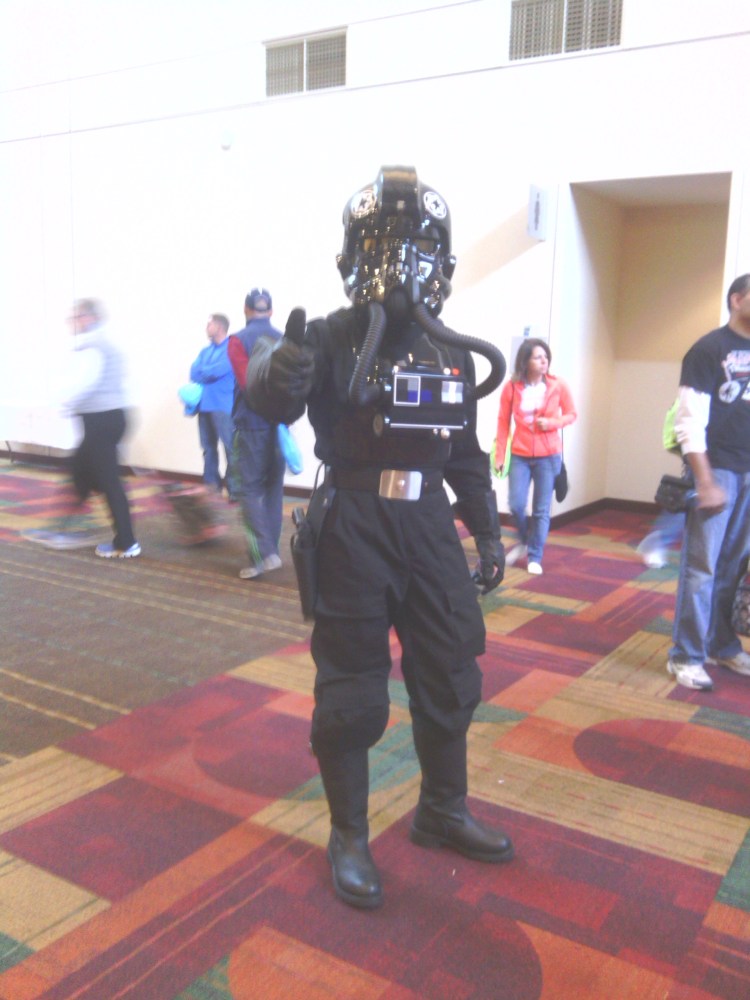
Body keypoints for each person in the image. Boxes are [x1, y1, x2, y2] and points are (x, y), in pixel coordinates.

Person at [240, 166, 513, 910]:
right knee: (353, 688)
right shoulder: (329, 337)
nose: (402, 259)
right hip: (354, 525)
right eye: (384, 242)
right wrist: (280, 368)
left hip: (428, 527)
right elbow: (270, 391)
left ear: (445, 260)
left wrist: (486, 533)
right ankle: (349, 835)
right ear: (352, 254)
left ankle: (442, 811)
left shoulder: (451, 350)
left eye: (418, 244)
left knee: (451, 669)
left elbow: (464, 450)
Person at [667, 273, 750, 691]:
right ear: (737, 299)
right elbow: (688, 422)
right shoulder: (707, 350)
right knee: (700, 568)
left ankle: (721, 643)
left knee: (733, 568)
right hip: (717, 470)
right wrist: (705, 480)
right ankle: (686, 654)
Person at [24, 298, 140, 558]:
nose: (72, 322)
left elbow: (82, 383)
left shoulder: (92, 347)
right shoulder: (103, 345)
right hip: (108, 419)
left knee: (108, 482)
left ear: (88, 318)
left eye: (75, 317)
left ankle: (126, 542)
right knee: (80, 473)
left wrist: (53, 405)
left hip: (102, 421)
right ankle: (64, 529)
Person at [493, 338, 576, 575]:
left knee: (541, 510)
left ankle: (535, 555)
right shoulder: (512, 387)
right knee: (516, 504)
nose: (544, 361)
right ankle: (523, 540)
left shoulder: (557, 385)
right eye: (538, 357)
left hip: (548, 456)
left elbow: (571, 414)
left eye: (545, 357)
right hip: (519, 454)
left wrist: (552, 422)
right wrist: (500, 455)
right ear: (525, 361)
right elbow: (502, 423)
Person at [227, 288, 285, 579]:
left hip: (251, 424)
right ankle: (270, 551)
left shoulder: (237, 341)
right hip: (280, 425)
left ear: (246, 310)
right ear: (271, 311)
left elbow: (247, 381)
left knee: (248, 489)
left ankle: (262, 553)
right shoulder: (284, 339)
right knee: (274, 489)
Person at [189, 313, 238, 499]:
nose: (206, 327)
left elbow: (218, 371)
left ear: (219, 326)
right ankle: (212, 485)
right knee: (208, 448)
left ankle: (234, 489)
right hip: (205, 406)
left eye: (209, 324)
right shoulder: (205, 351)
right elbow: (194, 372)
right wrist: (207, 372)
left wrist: (206, 372)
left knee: (230, 449)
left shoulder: (231, 349)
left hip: (223, 406)